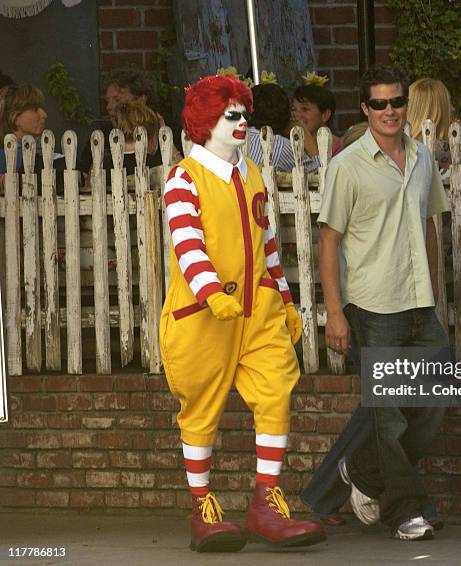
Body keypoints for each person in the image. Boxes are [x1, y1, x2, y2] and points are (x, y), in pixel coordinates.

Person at [159, 74, 325, 552]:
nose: (242, 122)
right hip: (202, 313)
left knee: (277, 389)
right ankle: (202, 507)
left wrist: (286, 300)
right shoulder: (182, 178)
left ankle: (266, 502)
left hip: (258, 310)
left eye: (243, 114)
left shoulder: (251, 172)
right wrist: (212, 294)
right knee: (201, 407)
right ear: (206, 121)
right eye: (232, 115)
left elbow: (268, 243)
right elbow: (188, 244)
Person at [304, 64, 450, 541]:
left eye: (398, 101)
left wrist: (432, 290)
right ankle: (405, 511)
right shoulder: (347, 165)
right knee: (388, 417)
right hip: (372, 307)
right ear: (365, 109)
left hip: (418, 304)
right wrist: (335, 313)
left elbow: (429, 225)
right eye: (380, 103)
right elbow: (328, 241)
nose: (391, 111)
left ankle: (363, 474)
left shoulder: (423, 157)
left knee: (433, 401)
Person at [247, 82, 320, 172]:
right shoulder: (280, 145)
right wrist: (304, 134)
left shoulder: (234, 137)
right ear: (287, 115)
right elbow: (321, 175)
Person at [292, 78, 342, 155]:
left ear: (325, 115)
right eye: (293, 109)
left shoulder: (339, 148)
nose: (296, 115)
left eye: (305, 109)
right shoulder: (289, 145)